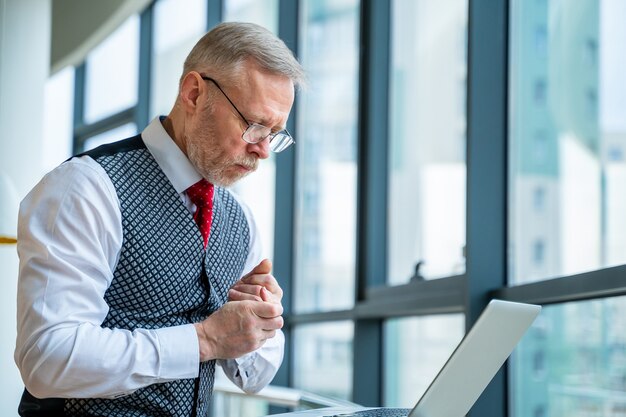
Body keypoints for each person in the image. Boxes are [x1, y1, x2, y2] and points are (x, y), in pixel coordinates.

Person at [14, 21, 305, 416]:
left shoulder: (241, 220)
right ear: (193, 93)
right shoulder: (85, 188)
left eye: (274, 133)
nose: (263, 150)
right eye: (254, 125)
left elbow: (255, 377)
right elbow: (47, 358)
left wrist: (260, 324)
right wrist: (203, 340)